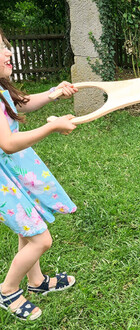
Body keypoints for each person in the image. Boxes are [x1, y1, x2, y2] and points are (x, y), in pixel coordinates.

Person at [0, 28, 78, 321]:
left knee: (28, 229)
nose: (9, 52)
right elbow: (7, 143)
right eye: (2, 48)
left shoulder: (1, 88)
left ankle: (36, 282)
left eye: (7, 46)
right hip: (3, 180)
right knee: (41, 239)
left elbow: (22, 104)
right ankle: (7, 291)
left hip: (14, 173)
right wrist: (51, 127)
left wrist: (53, 93)